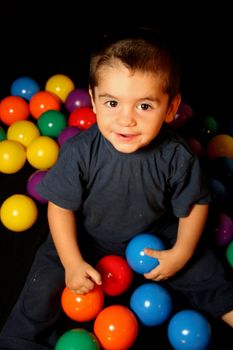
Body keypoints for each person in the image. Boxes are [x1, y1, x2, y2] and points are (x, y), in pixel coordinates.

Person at [0, 27, 233, 350]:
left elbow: (195, 205)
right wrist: (71, 261)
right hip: (87, 235)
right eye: (112, 103)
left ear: (171, 107)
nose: (126, 120)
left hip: (156, 232)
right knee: (42, 283)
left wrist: (180, 253)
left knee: (207, 269)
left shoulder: (178, 157)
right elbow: (61, 208)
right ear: (93, 101)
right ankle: (20, 341)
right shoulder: (80, 152)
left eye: (144, 106)